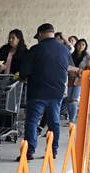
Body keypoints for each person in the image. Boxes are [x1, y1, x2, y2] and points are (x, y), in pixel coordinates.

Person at [22, 23, 70, 160]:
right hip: (57, 93)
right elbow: (68, 68)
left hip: (37, 92)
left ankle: (29, 151)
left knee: (32, 122)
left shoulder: (36, 49)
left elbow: (25, 72)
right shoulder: (64, 50)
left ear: (41, 34)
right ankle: (52, 151)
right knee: (54, 122)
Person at [65, 38, 90, 124]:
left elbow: (89, 70)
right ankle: (70, 118)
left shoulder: (88, 58)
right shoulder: (70, 56)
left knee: (74, 100)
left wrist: (78, 72)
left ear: (85, 46)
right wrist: (75, 71)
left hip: (80, 81)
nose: (81, 46)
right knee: (69, 100)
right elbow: (67, 67)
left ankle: (72, 121)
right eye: (79, 44)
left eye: (83, 45)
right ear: (76, 45)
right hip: (69, 80)